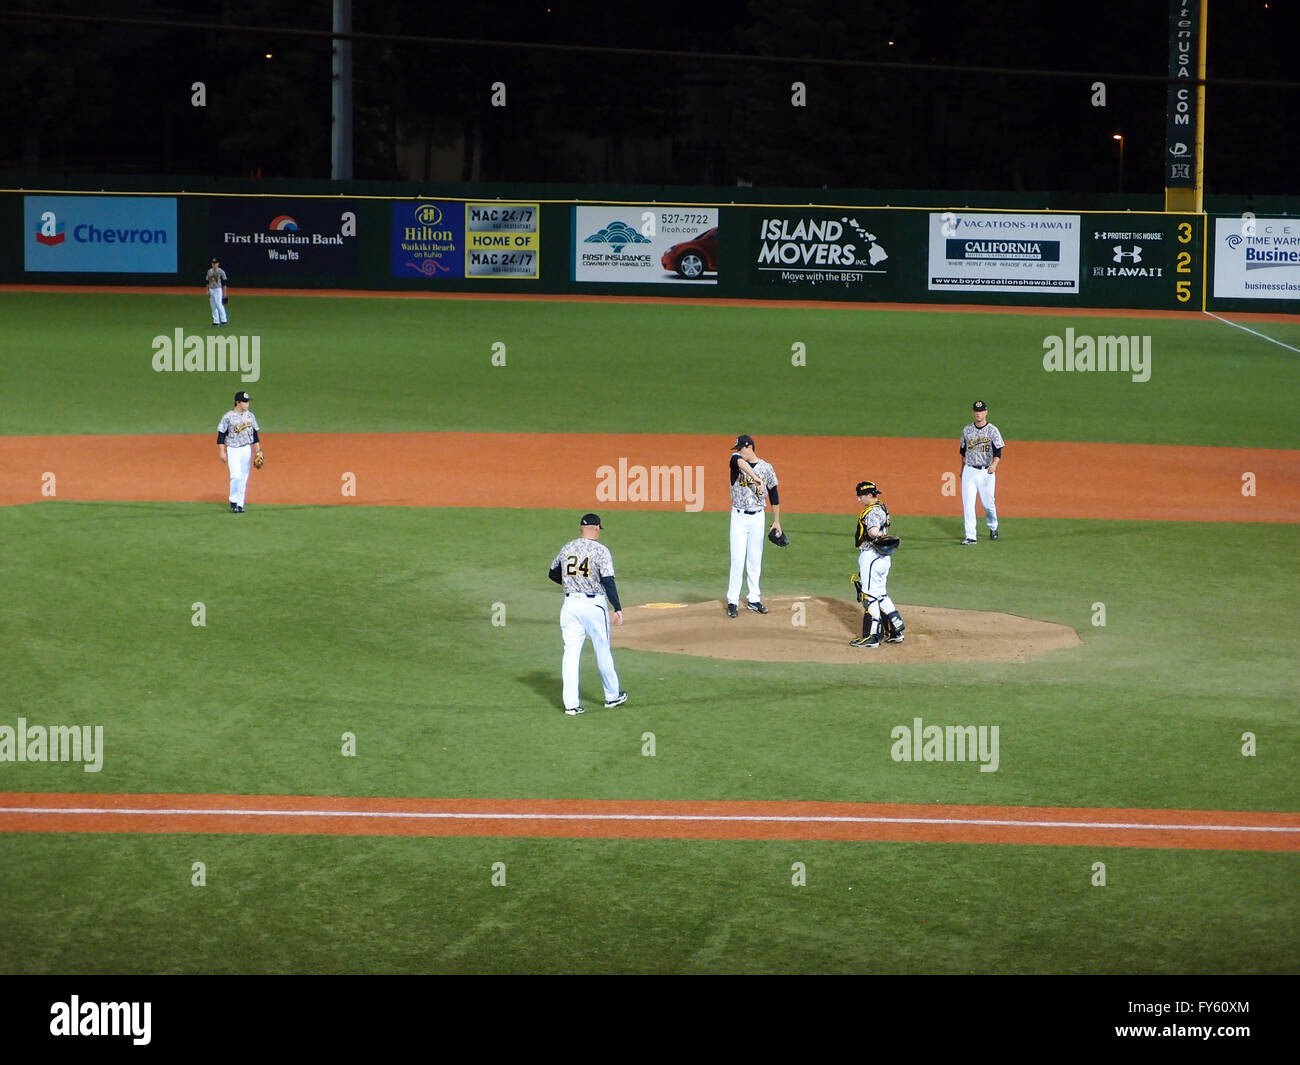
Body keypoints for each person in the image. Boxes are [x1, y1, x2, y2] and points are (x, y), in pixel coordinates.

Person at [548, 513, 628, 716]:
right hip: (594, 606)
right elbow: (608, 580)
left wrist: (571, 584)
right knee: (602, 649)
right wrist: (617, 607)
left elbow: (552, 573)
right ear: (596, 528)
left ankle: (571, 705)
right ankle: (612, 696)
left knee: (571, 653)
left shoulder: (568, 547)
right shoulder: (601, 550)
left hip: (570, 605)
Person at [726, 434, 782, 617]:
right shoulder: (736, 461)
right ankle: (732, 601)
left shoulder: (767, 467)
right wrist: (756, 478)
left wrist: (777, 521)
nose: (738, 452)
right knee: (737, 560)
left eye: (740, 448)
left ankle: (754, 599)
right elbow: (739, 462)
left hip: (758, 517)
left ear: (749, 447)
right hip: (739, 518)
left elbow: (773, 493)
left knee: (755, 559)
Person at [850, 480, 905, 649]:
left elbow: (873, 531)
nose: (859, 500)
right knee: (880, 593)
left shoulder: (872, 512)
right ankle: (895, 631)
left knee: (869, 595)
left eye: (860, 496)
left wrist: (874, 535)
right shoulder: (881, 506)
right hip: (883, 557)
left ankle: (872, 636)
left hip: (872, 556)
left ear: (868, 495)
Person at [960, 400, 1004, 544]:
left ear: (986, 412)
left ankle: (993, 526)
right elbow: (963, 453)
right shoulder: (967, 430)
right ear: (974, 412)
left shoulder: (993, 430)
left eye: (981, 411)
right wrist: (962, 471)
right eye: (976, 411)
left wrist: (994, 465)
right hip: (970, 470)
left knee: (988, 504)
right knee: (968, 504)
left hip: (987, 472)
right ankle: (971, 536)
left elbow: (998, 451)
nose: (978, 414)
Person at [216, 391, 262, 513]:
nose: (247, 404)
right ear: (238, 402)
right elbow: (221, 435)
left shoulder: (250, 416)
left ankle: (240, 504)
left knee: (244, 478)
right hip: (233, 449)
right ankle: (233, 501)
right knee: (236, 476)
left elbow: (255, 435)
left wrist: (258, 451)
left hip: (246, 449)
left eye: (247, 401)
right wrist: (222, 452)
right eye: (244, 401)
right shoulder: (228, 417)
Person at [206, 257, 229, 326]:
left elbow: (224, 283)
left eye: (215, 263)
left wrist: (224, 293)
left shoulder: (221, 271)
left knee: (218, 304)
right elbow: (207, 281)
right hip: (211, 289)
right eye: (213, 263)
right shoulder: (209, 271)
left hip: (218, 289)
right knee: (213, 305)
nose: (214, 264)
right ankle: (216, 321)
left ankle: (224, 320)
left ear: (218, 264)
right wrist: (207, 291)